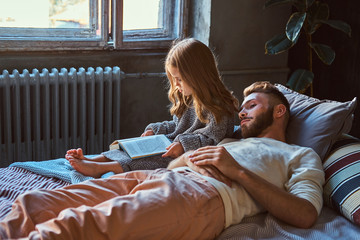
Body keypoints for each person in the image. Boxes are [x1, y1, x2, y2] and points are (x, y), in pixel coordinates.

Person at [0, 81, 324, 240]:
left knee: (75, 226)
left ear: (279, 111)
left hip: (198, 196)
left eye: (252, 105)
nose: (242, 111)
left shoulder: (299, 155)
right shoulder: (232, 138)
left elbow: (306, 214)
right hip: (155, 178)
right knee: (32, 204)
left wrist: (236, 171)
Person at [65, 38, 239, 178]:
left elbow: (213, 140)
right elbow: (177, 126)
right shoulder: (189, 98)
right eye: (174, 79)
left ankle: (100, 168)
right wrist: (156, 129)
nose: (176, 85)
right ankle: (95, 159)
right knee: (132, 146)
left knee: (151, 160)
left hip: (183, 153)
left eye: (179, 79)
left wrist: (183, 145)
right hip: (171, 143)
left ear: (198, 76)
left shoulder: (220, 108)